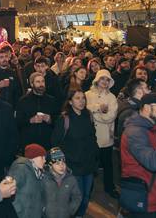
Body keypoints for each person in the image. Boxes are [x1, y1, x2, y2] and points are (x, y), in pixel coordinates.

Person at [51, 89, 99, 217]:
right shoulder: (65, 119)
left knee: (86, 196)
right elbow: (55, 143)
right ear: (70, 102)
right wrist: (60, 165)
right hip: (72, 166)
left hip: (88, 164)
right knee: (77, 196)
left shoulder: (88, 115)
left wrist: (95, 154)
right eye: (77, 98)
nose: (81, 101)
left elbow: (93, 137)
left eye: (83, 98)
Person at [85, 69, 119, 198]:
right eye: (102, 79)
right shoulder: (87, 94)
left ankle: (110, 187)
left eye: (107, 79)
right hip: (90, 136)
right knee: (90, 164)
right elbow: (85, 109)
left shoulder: (112, 97)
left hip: (105, 136)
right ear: (97, 80)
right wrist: (99, 109)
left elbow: (111, 116)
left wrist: (95, 114)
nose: (104, 82)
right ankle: (88, 189)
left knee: (108, 165)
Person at [16, 72, 58, 150]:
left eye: (43, 81)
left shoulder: (51, 100)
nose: (41, 84)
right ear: (32, 84)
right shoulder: (23, 101)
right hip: (29, 143)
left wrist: (50, 119)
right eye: (38, 82)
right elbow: (17, 122)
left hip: (48, 143)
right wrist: (30, 120)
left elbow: (58, 120)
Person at [42, 147, 82, 218]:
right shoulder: (44, 179)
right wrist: (43, 210)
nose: (61, 166)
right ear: (50, 165)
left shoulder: (71, 179)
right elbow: (37, 196)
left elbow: (77, 196)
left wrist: (70, 210)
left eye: (63, 162)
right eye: (57, 163)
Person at [8, 144, 46, 218]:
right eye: (42, 157)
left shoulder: (39, 173)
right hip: (21, 214)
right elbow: (9, 190)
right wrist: (18, 209)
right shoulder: (21, 168)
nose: (45, 160)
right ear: (33, 157)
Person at [116, 79, 151, 146]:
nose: (149, 91)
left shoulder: (133, 106)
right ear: (139, 91)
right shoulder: (131, 113)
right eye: (147, 88)